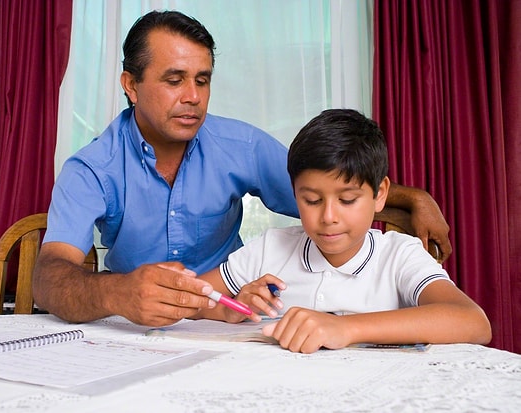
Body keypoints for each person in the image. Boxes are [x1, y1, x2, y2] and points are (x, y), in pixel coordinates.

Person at [33, 10, 452, 327]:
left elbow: (323, 190)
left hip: (229, 320)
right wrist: (117, 293)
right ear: (131, 85)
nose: (194, 96)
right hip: (134, 327)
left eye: (203, 79)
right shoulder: (90, 167)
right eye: (174, 79)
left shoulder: (242, 145)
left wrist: (412, 198)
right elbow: (49, 277)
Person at [192, 109, 491, 353]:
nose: (329, 217)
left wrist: (345, 328)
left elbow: (473, 321)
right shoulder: (270, 249)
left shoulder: (399, 255)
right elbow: (192, 300)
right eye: (311, 200)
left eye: (347, 200)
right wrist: (227, 310)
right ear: (295, 194)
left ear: (379, 194)